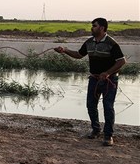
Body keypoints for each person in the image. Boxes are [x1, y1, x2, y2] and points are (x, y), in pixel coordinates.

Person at [54, 18, 126, 146]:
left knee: (108, 107)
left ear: (102, 28)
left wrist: (108, 73)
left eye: (94, 26)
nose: (91, 28)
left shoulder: (111, 43)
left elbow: (121, 61)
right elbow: (79, 55)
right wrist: (64, 50)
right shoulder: (89, 42)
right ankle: (96, 129)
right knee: (91, 105)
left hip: (110, 80)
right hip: (94, 79)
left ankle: (108, 136)